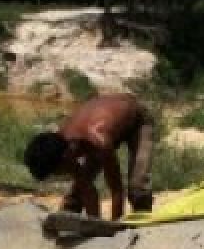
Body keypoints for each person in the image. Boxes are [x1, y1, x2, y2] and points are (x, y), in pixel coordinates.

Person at [22, 94, 155, 220]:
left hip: (137, 119)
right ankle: (67, 223)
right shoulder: (60, 144)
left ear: (65, 157)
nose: (62, 174)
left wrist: (114, 229)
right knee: (75, 195)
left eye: (57, 172)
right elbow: (86, 188)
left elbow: (116, 190)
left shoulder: (98, 140)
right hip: (106, 124)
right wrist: (94, 223)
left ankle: (142, 226)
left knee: (138, 187)